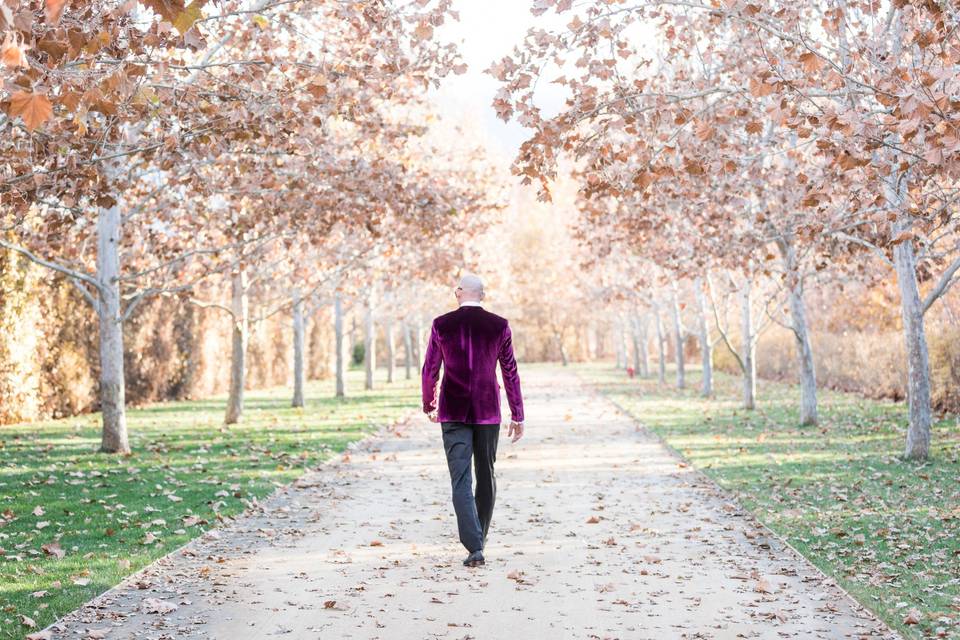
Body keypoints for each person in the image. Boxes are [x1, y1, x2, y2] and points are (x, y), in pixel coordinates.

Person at [421, 273, 525, 568]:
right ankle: (479, 539)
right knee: (486, 473)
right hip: (487, 410)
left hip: (453, 411)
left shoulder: (441, 325)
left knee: (461, 478)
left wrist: (429, 403)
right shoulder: (499, 326)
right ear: (483, 294)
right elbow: (510, 372)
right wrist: (517, 413)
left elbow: (430, 369)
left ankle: (474, 544)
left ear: (458, 293)